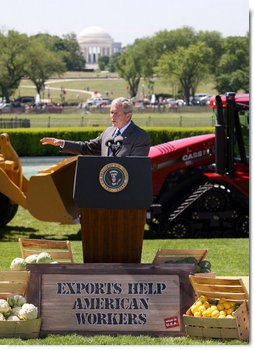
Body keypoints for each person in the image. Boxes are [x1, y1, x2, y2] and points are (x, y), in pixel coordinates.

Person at [40, 97, 150, 157]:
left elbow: (136, 168)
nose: (112, 116)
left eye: (116, 113)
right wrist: (62, 143)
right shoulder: (108, 132)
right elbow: (87, 148)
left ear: (128, 115)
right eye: (111, 112)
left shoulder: (140, 136)